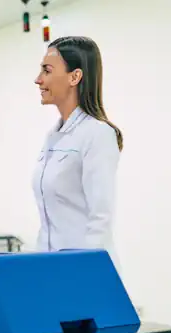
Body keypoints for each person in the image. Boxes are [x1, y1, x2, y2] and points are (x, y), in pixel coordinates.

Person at [32, 36, 123, 265]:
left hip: (83, 273)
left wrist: (82, 273)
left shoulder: (97, 134)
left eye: (47, 70)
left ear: (75, 76)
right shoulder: (52, 138)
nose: (38, 80)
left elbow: (99, 219)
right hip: (50, 268)